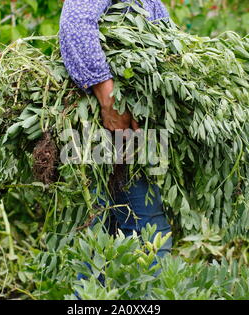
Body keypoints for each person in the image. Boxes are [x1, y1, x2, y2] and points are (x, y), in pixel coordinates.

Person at [59, 0, 172, 269]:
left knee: (107, 235)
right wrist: (108, 98)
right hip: (108, 128)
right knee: (146, 233)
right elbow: (75, 23)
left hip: (131, 130)